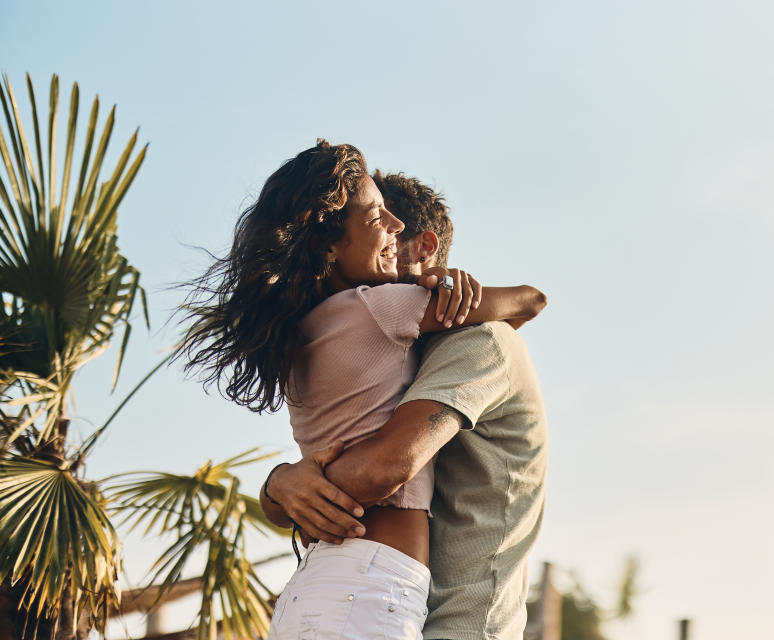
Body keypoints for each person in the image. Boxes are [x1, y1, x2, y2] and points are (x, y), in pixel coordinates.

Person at [178, 141, 545, 640]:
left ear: (428, 248)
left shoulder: (474, 343)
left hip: (377, 598)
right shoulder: (378, 313)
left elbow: (355, 470)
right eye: (378, 219)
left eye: (397, 225)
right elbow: (380, 469)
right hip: (372, 590)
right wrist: (281, 488)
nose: (391, 234)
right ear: (329, 244)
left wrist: (281, 489)